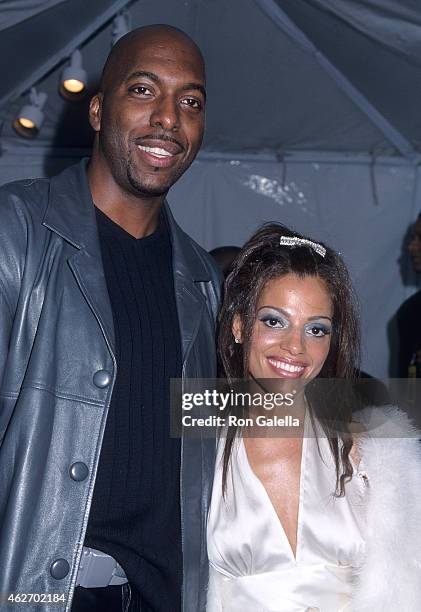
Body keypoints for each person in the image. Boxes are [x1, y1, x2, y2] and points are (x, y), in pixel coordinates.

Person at [0, 25, 221, 612]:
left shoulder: (205, 282)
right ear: (98, 110)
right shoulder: (17, 231)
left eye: (190, 102)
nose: (169, 119)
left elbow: (215, 434)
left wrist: (373, 417)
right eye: (145, 90)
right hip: (36, 592)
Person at [206, 223, 421, 611]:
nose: (295, 347)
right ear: (239, 325)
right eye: (274, 320)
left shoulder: (376, 457)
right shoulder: (196, 453)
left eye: (317, 329)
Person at [397, 211, 421, 377]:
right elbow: (407, 392)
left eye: (420, 238)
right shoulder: (409, 312)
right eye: (413, 237)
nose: (411, 247)